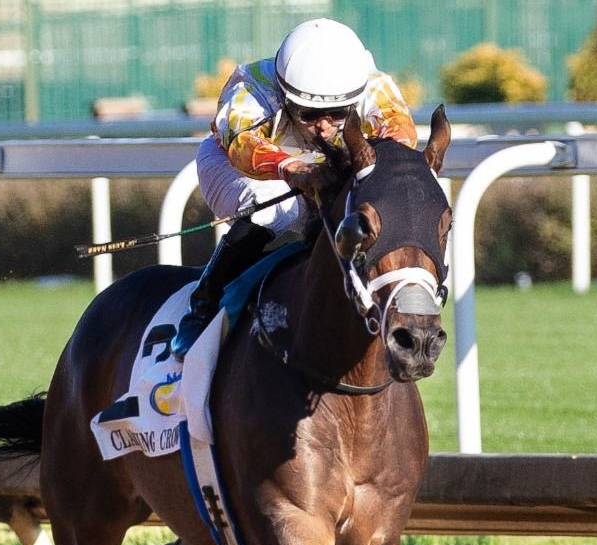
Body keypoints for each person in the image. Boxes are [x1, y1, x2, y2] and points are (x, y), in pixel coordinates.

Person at [170, 17, 419, 359]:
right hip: (233, 165)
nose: (323, 127)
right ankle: (204, 303)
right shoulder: (252, 85)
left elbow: (401, 141)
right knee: (273, 207)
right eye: (308, 114)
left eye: (337, 114)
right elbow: (241, 145)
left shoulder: (375, 87)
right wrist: (292, 168)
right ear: (285, 95)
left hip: (319, 166)